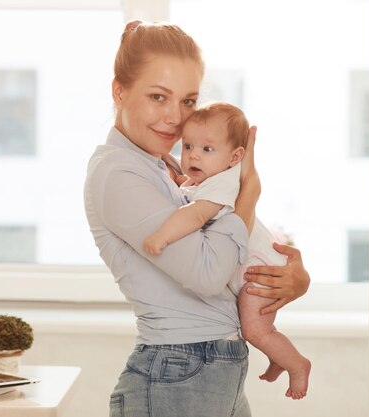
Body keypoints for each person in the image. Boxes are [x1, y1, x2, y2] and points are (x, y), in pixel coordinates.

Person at [83, 20, 311, 417]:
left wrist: (288, 279)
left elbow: (230, 253)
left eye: (188, 101)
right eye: (158, 96)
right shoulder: (118, 174)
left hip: (209, 367)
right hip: (177, 373)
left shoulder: (164, 166)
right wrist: (248, 194)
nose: (174, 118)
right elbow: (207, 274)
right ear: (119, 91)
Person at [143, 102, 311, 400]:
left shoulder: (224, 183)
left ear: (235, 158)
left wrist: (161, 236)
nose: (193, 155)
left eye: (207, 149)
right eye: (189, 146)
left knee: (255, 331)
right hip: (254, 268)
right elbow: (191, 194)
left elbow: (195, 215)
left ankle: (297, 364)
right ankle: (277, 358)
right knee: (260, 328)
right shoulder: (212, 181)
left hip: (258, 272)